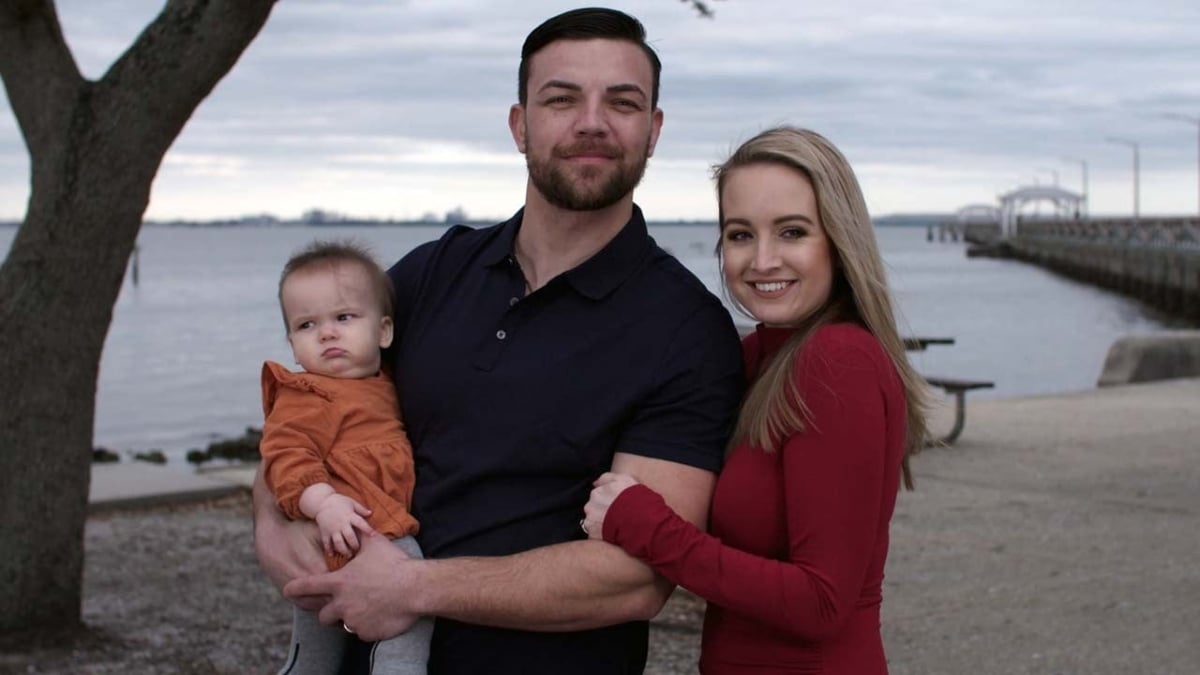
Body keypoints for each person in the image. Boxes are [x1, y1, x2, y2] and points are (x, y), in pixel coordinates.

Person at [253, 7, 745, 675]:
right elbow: (303, 417)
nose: (592, 122)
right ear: (520, 125)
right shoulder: (432, 273)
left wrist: (411, 587)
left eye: (622, 103)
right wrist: (287, 529)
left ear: (653, 131)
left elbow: (636, 576)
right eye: (561, 99)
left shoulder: (687, 330)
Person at [581, 126, 933, 674]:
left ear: (838, 240)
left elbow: (821, 602)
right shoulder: (753, 358)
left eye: (792, 232)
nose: (762, 260)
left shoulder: (838, 361)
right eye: (741, 235)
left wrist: (647, 526)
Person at [261, 240, 431, 675]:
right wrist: (324, 504)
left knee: (315, 650)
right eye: (306, 325)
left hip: (360, 524)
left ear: (384, 332)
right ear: (292, 344)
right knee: (412, 591)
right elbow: (286, 455)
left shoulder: (387, 385)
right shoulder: (308, 396)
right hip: (355, 527)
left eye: (343, 317)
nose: (327, 333)